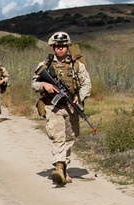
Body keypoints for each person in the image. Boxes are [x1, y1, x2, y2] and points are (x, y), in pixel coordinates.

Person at [31, 32, 91, 186]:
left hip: (71, 106)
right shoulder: (45, 65)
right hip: (53, 106)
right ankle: (59, 167)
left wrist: (80, 97)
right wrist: (45, 85)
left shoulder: (77, 65)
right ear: (53, 47)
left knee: (71, 137)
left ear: (67, 47)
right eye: (57, 46)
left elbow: (86, 84)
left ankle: (64, 167)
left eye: (63, 46)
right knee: (59, 137)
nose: (60, 49)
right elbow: (34, 84)